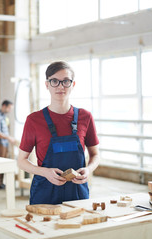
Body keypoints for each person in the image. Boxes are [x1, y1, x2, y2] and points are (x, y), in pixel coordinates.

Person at [17, 61, 100, 204]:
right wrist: (44, 172)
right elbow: (21, 161)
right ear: (47, 85)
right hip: (45, 191)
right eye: (55, 81)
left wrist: (88, 169)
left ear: (73, 85)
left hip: (77, 192)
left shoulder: (85, 117)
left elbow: (95, 154)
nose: (60, 86)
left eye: (66, 81)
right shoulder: (34, 120)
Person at [0, 100, 16, 189]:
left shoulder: (4, 116)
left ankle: (1, 183)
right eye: (9, 108)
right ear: (4, 106)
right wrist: (8, 138)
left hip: (4, 143)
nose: (10, 110)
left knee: (3, 163)